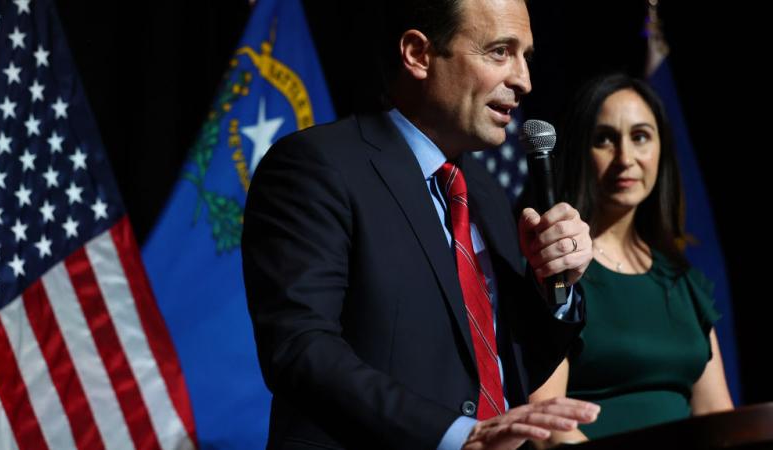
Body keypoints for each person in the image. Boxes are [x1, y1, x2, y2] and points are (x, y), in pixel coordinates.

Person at [242, 0, 601, 448]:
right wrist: (453, 437)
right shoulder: (317, 167)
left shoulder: (484, 193)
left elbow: (513, 363)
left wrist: (555, 286)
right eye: (499, 52)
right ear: (418, 54)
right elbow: (300, 349)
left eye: (526, 57)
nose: (523, 80)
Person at [529, 73, 734, 445]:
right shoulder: (559, 269)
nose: (626, 158)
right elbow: (546, 421)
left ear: (661, 151)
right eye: (605, 139)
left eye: (640, 137)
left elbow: (719, 419)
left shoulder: (683, 282)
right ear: (580, 150)